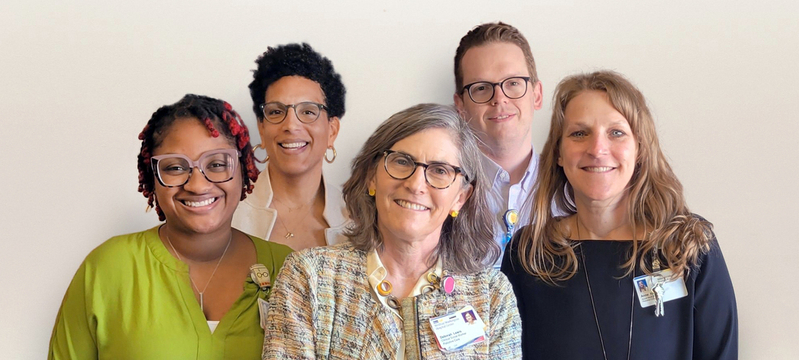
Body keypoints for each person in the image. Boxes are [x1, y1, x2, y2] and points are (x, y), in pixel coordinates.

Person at [502, 71, 738, 359]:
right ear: (559, 153)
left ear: (639, 149)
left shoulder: (688, 246)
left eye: (616, 132)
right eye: (579, 133)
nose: (598, 149)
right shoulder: (529, 253)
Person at [263, 104, 521, 359]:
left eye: (440, 170)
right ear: (372, 178)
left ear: (460, 198)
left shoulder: (492, 295)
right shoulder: (309, 278)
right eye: (402, 161)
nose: (416, 184)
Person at [48, 95, 293, 359]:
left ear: (243, 169)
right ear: (153, 177)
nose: (198, 185)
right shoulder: (108, 268)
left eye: (217, 164)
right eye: (175, 167)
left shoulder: (288, 269)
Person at [232, 43, 349, 251]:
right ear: (262, 127)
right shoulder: (227, 212)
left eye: (308, 112)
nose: (291, 126)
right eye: (276, 112)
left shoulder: (358, 220)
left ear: (332, 131)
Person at [453, 22, 544, 267]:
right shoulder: (439, 190)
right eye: (481, 88)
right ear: (460, 106)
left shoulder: (575, 188)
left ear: (536, 95)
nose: (499, 98)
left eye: (513, 83)